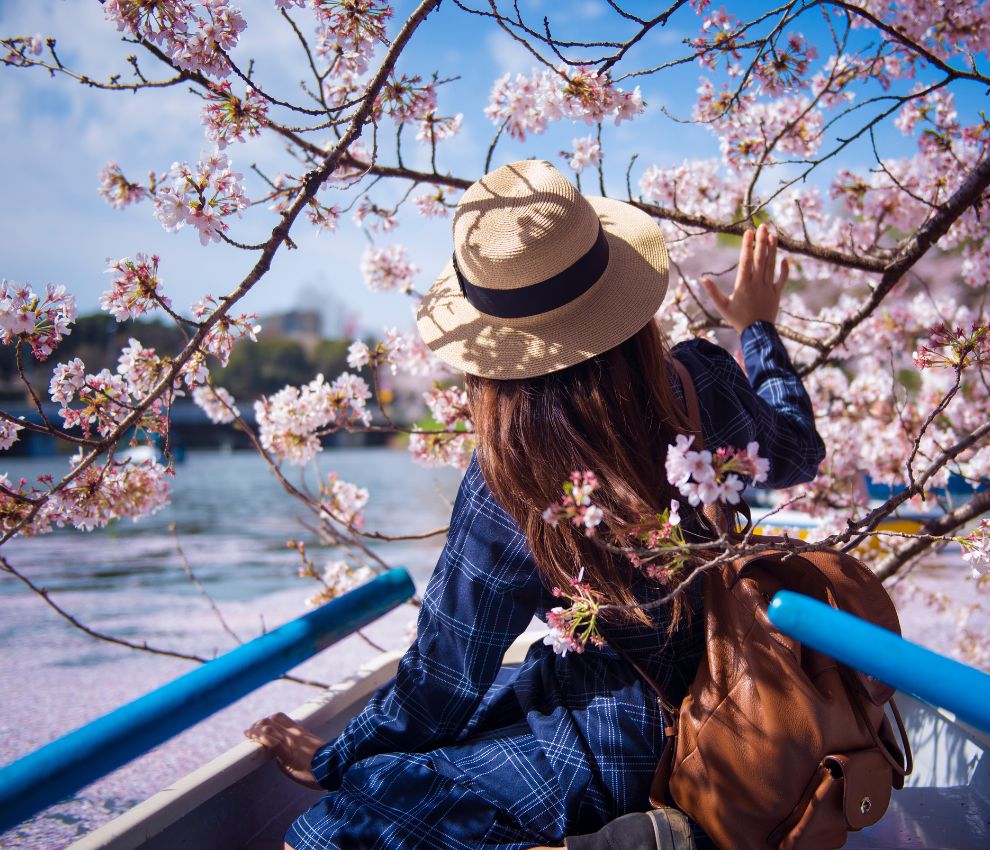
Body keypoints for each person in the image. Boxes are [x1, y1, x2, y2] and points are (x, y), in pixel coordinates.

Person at [245, 159, 825, 850]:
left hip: (609, 745)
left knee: (333, 830)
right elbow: (799, 448)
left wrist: (336, 757)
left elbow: (446, 681)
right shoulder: (700, 382)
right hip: (733, 706)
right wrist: (758, 328)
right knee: (395, 779)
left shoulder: (512, 475)